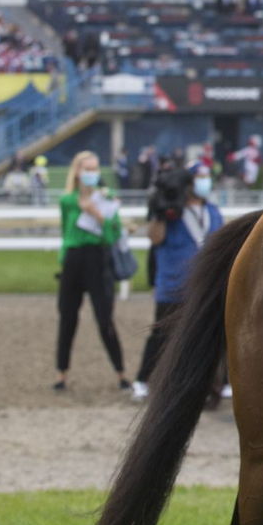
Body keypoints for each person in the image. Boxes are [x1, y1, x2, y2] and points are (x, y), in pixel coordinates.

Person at [131, 162, 221, 400]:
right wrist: (159, 212)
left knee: (206, 337)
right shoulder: (172, 213)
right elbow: (155, 238)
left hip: (205, 286)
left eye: (206, 176)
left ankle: (207, 384)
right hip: (172, 285)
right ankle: (143, 379)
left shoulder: (212, 211)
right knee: (161, 334)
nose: (204, 181)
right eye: (199, 177)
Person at [53, 151, 129, 392]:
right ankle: (61, 373)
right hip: (74, 261)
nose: (91, 174)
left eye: (95, 169)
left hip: (98, 258)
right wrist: (64, 260)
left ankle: (121, 372)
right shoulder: (67, 201)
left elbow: (113, 234)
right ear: (77, 171)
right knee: (67, 318)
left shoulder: (107, 199)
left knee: (105, 319)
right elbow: (66, 233)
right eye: (87, 169)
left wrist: (97, 214)